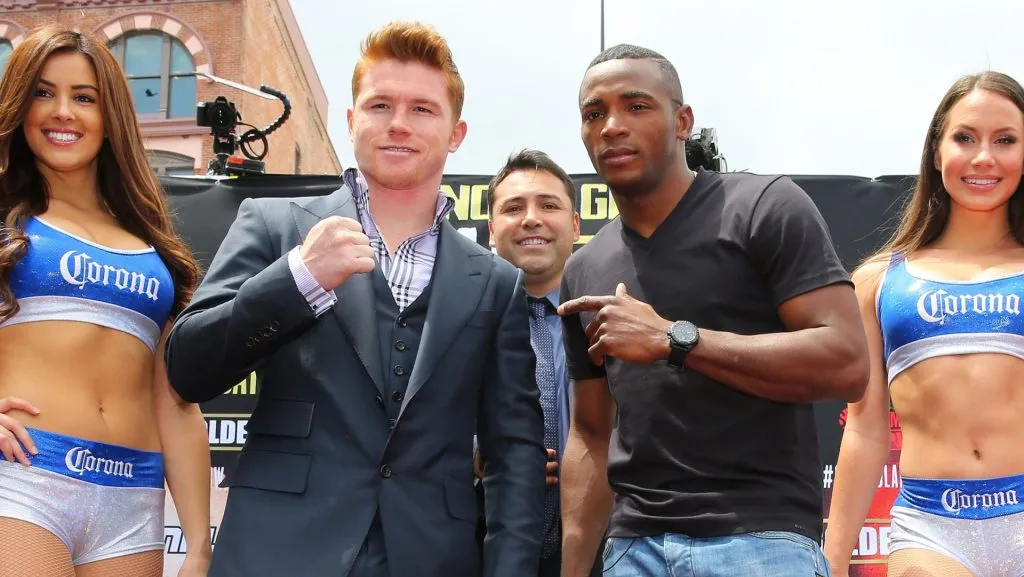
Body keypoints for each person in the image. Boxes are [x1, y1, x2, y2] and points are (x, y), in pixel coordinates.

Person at [163, 20, 547, 577]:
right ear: (350, 121)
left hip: (433, 557)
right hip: (279, 552)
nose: (398, 124)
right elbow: (188, 369)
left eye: (422, 109)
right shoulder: (274, 227)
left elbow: (514, 453)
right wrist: (298, 278)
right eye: (379, 105)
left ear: (456, 133)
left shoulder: (495, 281)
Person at [556, 43, 870, 577]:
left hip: (761, 541)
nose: (611, 125)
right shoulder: (584, 270)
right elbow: (591, 432)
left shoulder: (763, 207)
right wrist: (574, 564)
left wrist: (676, 340)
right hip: (634, 550)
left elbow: (845, 362)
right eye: (594, 113)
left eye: (636, 105)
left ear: (682, 121)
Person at [0, 24, 211, 577]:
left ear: (110, 114)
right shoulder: (7, 224)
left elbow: (176, 402)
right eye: (43, 93)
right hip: (24, 480)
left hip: (132, 498)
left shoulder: (153, 248)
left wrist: (198, 546)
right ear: (19, 107)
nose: (63, 111)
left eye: (84, 97)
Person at [823, 71, 1024, 577]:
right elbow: (866, 432)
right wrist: (829, 558)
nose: (983, 158)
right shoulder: (877, 282)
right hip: (931, 531)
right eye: (965, 138)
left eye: (1006, 140)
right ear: (937, 151)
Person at [480, 149, 602, 577]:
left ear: (574, 226)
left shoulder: (612, 321)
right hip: (480, 548)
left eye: (548, 205)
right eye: (514, 208)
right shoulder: (457, 324)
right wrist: (476, 455)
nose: (531, 218)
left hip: (604, 554)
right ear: (492, 231)